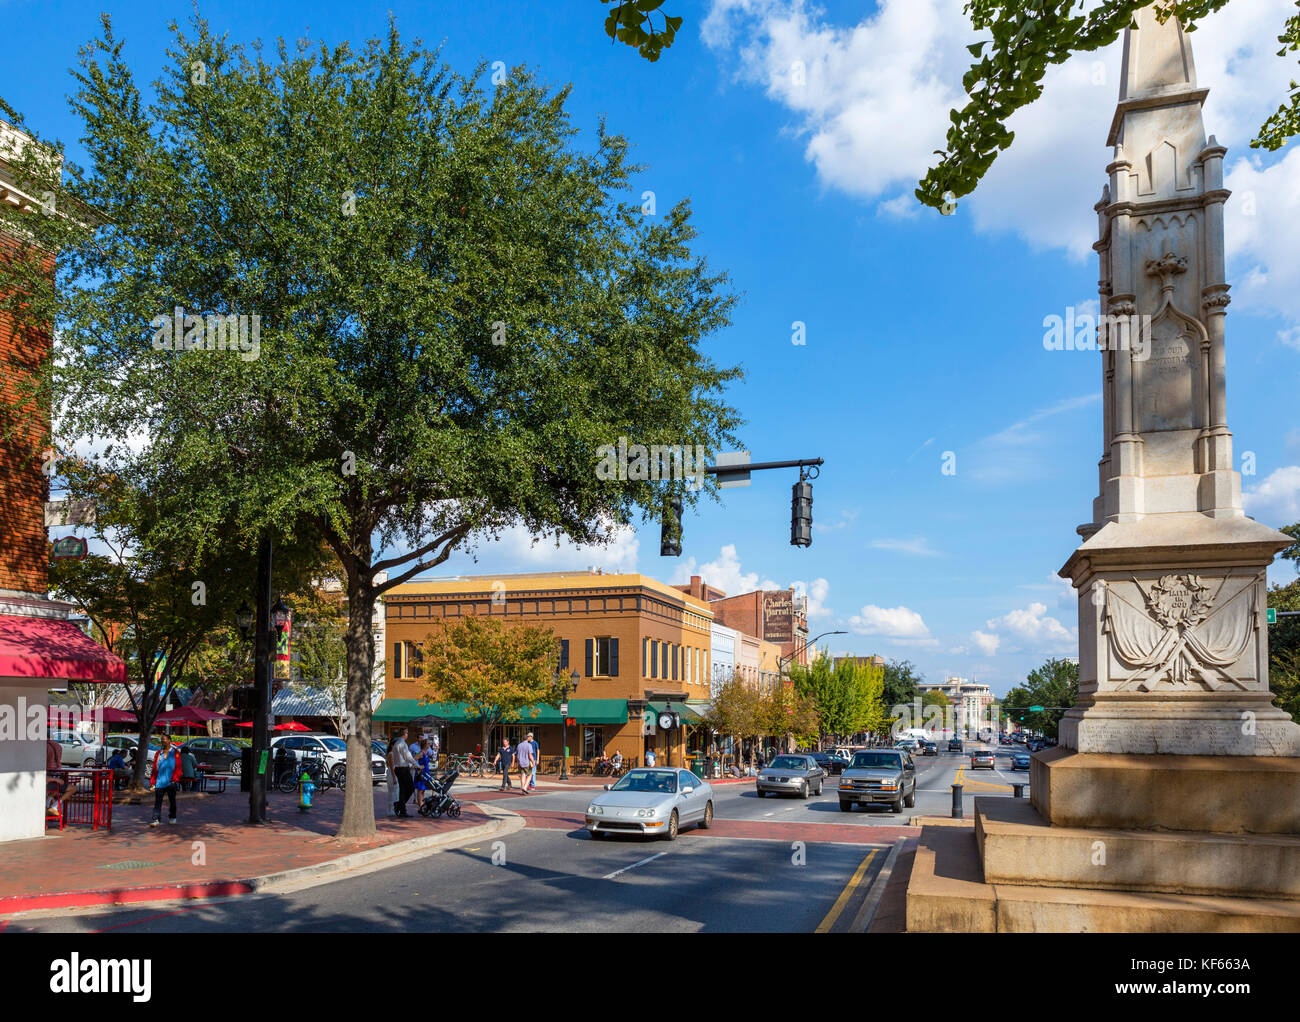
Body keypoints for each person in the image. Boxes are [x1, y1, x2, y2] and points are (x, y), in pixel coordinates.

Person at [149, 736, 182, 826]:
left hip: (171, 782)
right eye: (162, 740)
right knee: (158, 802)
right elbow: (154, 768)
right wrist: (152, 782)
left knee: (172, 801)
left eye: (165, 739)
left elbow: (179, 767)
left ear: (169, 741)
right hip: (159, 782)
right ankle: (156, 819)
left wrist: (175, 779)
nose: (163, 741)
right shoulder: (158, 753)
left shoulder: (175, 752)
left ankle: (172, 817)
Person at [388, 727, 416, 817]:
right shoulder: (402, 744)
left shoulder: (396, 743)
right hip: (403, 769)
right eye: (407, 733)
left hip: (399, 769)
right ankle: (399, 804)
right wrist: (416, 764)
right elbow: (408, 756)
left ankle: (402, 809)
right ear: (404, 734)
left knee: (402, 790)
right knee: (410, 788)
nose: (407, 735)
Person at [45, 739, 75, 816]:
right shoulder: (57, 746)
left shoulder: (43, 746)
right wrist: (56, 779)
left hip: (48, 780)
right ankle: (53, 807)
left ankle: (49, 805)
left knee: (55, 791)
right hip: (51, 779)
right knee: (72, 788)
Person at [413, 738, 433, 812]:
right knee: (420, 789)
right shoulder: (421, 753)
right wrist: (418, 766)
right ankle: (420, 807)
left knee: (423, 790)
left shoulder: (427, 752)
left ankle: (422, 805)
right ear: (424, 745)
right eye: (428, 743)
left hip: (426, 772)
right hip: (421, 773)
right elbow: (413, 760)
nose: (429, 744)